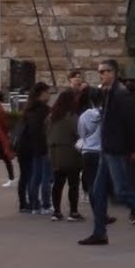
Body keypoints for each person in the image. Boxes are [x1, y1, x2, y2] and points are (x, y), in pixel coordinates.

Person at [78, 59, 135, 246]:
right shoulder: (110, 93)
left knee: (122, 190)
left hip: (116, 149)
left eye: (105, 71)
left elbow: (132, 122)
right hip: (107, 148)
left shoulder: (121, 95)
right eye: (99, 72)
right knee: (98, 191)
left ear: (114, 73)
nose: (101, 75)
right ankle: (100, 232)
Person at [47, 89, 83, 222]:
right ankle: (73, 211)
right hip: (71, 152)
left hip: (55, 152)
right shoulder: (72, 117)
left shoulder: (52, 116)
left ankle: (56, 211)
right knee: (73, 183)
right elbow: (79, 133)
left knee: (57, 183)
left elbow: (46, 133)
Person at [22, 83, 53, 215]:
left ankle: (35, 205)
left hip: (33, 147)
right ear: (42, 93)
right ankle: (46, 204)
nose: (50, 95)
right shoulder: (46, 110)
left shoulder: (28, 110)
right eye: (48, 92)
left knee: (35, 176)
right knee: (46, 177)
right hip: (45, 146)